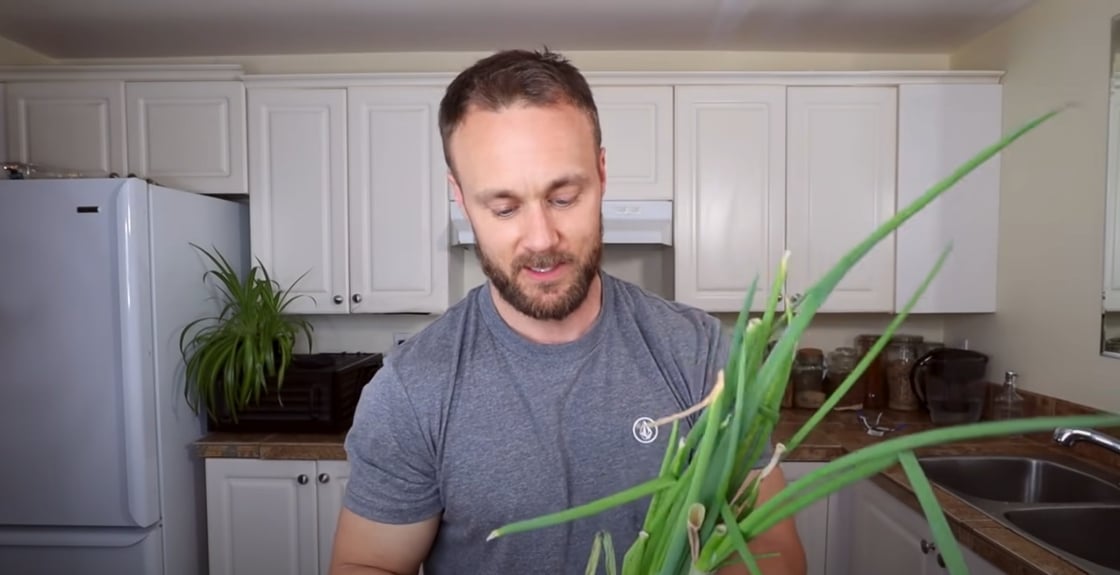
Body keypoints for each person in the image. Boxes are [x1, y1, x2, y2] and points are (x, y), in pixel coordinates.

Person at [329, 48, 806, 575]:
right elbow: (368, 564)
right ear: (461, 200)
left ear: (601, 173)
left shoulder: (697, 353)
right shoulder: (411, 389)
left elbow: (773, 550)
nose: (541, 239)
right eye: (504, 207)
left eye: (563, 197)